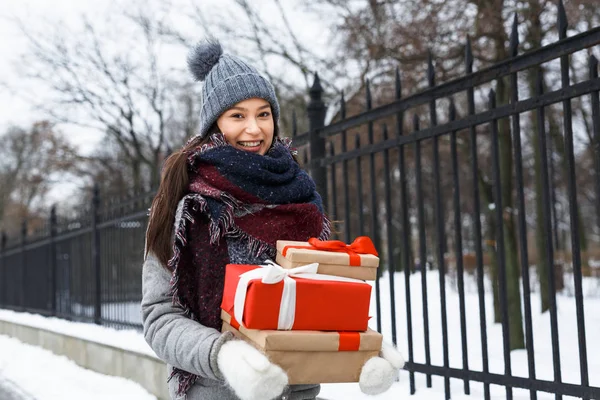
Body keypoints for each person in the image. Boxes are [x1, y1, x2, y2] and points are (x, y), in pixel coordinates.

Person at [141, 39, 405, 400]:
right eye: (238, 115)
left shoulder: (299, 195)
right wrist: (225, 356)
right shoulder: (186, 206)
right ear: (214, 123)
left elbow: (321, 302)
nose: (254, 129)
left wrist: (369, 348)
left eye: (263, 114)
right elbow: (160, 319)